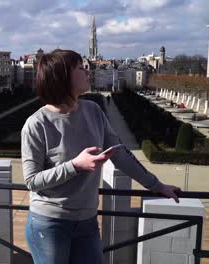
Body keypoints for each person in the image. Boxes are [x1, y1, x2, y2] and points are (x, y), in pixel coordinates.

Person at [21, 49, 181, 264]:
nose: (87, 72)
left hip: (87, 221)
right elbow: (32, 181)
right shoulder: (36, 124)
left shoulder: (93, 110)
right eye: (80, 68)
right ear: (62, 76)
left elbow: (121, 153)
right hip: (50, 224)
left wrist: (157, 185)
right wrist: (75, 165)